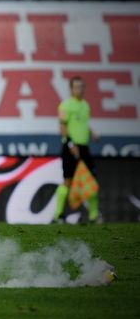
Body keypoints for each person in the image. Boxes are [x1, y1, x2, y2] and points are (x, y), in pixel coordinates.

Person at [52, 76, 100, 223]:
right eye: (77, 87)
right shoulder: (65, 105)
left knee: (91, 180)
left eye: (82, 86)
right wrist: (71, 144)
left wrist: (92, 133)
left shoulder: (85, 105)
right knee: (67, 181)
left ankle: (94, 216)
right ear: (71, 89)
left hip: (84, 148)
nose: (80, 90)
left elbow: (83, 123)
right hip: (70, 147)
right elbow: (62, 126)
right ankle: (58, 215)